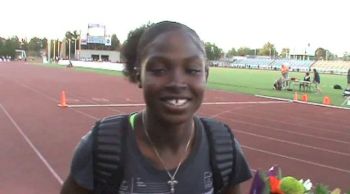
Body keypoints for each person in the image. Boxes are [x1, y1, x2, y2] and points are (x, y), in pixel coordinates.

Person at [60, 21, 252, 194]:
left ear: (206, 75)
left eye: (192, 70)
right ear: (139, 74)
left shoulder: (223, 147)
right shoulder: (102, 146)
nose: (177, 82)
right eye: (159, 70)